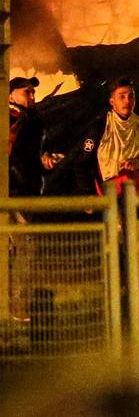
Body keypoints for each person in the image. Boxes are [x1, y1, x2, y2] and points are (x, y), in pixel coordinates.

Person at [7, 77, 43, 322]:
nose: (31, 96)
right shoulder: (11, 120)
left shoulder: (32, 122)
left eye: (33, 92)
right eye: (26, 92)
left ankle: (14, 305)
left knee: (20, 249)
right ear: (10, 96)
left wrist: (46, 161)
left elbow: (30, 159)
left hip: (24, 191)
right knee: (25, 246)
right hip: (13, 193)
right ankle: (16, 306)